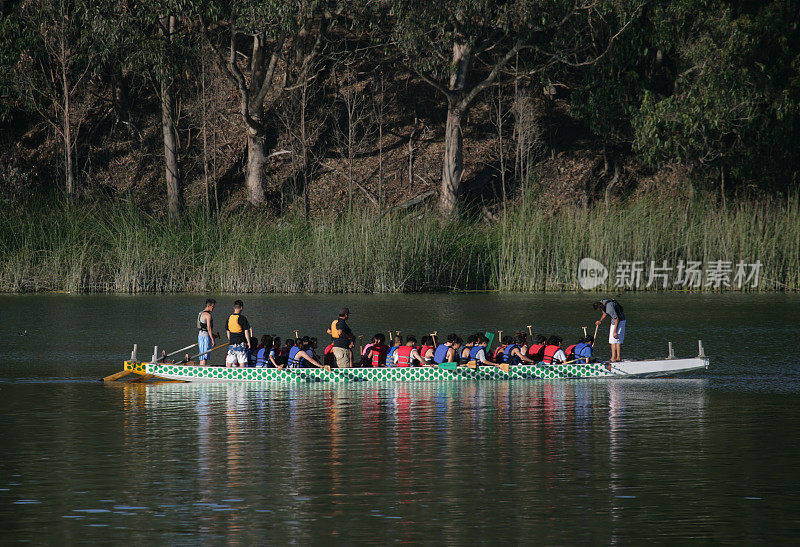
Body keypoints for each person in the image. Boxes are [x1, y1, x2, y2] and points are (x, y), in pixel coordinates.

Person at [226, 300, 252, 368]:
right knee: (242, 361)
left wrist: (230, 339)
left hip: (232, 344)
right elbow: (246, 331)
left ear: (234, 308)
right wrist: (249, 342)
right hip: (241, 343)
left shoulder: (229, 318)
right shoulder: (242, 318)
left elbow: (228, 331)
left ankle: (227, 374)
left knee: (230, 361)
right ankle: (241, 376)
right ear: (241, 308)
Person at [197, 298, 216, 367]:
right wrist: (213, 340)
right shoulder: (208, 315)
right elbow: (209, 328)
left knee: (202, 356)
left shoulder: (201, 313)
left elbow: (203, 327)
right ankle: (202, 371)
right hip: (205, 337)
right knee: (205, 356)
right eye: (212, 306)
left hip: (200, 336)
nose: (213, 308)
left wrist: (213, 335)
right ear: (209, 306)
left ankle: (201, 369)